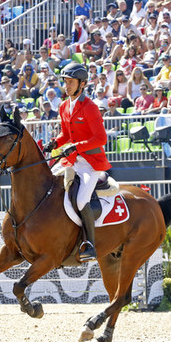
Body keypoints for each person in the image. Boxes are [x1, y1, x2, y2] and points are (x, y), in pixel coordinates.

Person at [42, 63, 111, 262]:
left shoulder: (90, 107)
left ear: (82, 84)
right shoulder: (64, 106)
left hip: (91, 163)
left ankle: (90, 244)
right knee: (49, 185)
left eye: (71, 82)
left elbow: (101, 139)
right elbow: (66, 134)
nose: (67, 85)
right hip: (72, 159)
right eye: (65, 81)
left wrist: (77, 146)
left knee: (81, 200)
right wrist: (55, 142)